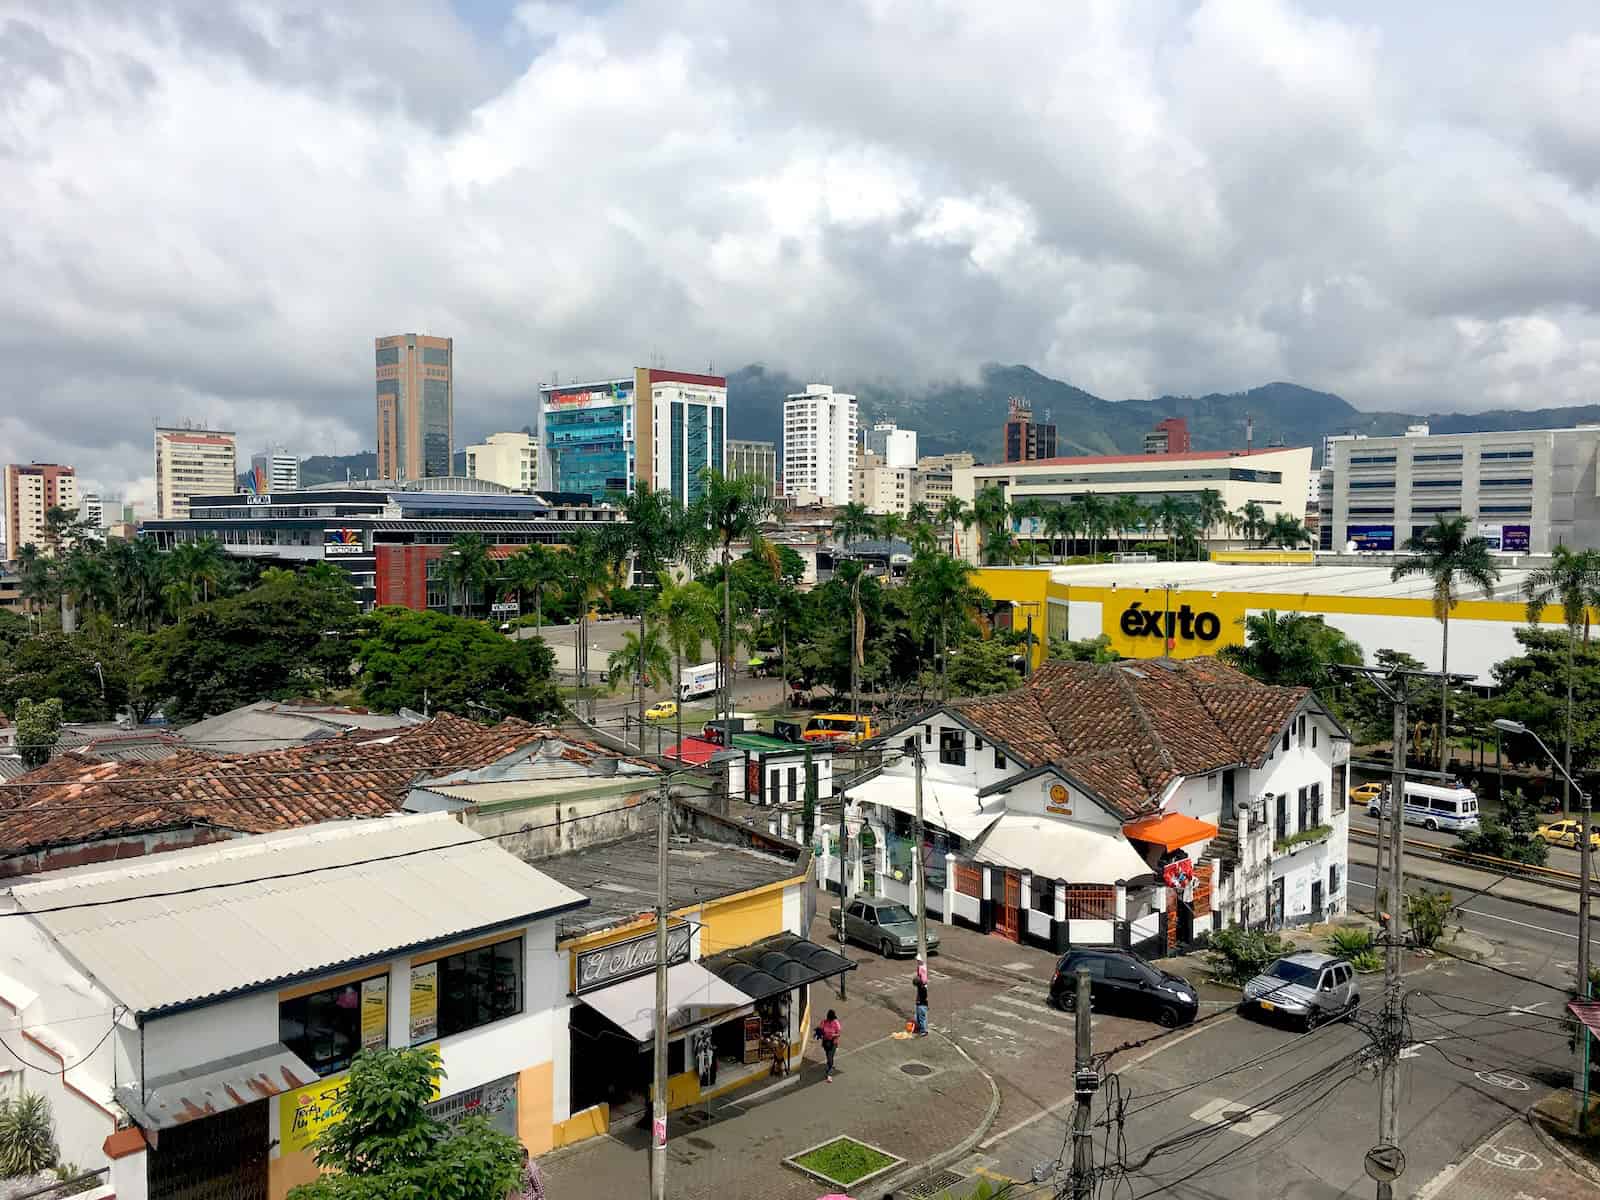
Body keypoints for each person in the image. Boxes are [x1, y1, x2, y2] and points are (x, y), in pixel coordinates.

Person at [816, 1009, 842, 1081]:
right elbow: (820, 1030)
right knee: (828, 1056)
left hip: (833, 1042)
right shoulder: (824, 1022)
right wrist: (819, 1034)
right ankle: (830, 1065)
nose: (830, 1020)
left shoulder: (836, 1023)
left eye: (831, 1019)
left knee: (830, 1057)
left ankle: (829, 1073)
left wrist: (833, 1035)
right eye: (829, 1019)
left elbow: (839, 1034)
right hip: (826, 1043)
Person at [914, 962, 929, 1036]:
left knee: (922, 1018)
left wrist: (919, 1001)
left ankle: (924, 1031)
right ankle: (920, 1028)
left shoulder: (922, 989)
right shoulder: (921, 986)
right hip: (919, 1004)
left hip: (921, 1005)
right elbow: (920, 975)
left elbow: (924, 997)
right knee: (917, 1018)